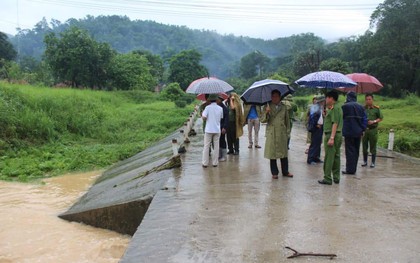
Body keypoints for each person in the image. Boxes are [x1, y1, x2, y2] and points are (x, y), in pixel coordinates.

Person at [261, 90, 293, 179]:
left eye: (276, 96)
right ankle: (274, 172)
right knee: (272, 154)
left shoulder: (284, 107)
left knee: (284, 153)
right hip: (272, 133)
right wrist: (267, 112)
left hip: (282, 133)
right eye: (273, 96)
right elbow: (262, 120)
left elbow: (287, 121)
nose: (274, 98)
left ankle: (285, 171)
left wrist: (288, 133)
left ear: (279, 97)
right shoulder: (267, 106)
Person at [318, 90, 342, 185]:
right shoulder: (335, 108)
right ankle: (336, 177)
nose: (326, 100)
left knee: (329, 157)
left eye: (327, 98)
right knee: (336, 157)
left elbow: (335, 123)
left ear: (331, 98)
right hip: (337, 134)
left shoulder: (335, 108)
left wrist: (331, 137)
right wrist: (325, 115)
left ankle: (327, 178)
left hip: (332, 135)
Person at [341, 92, 367, 174]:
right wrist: (363, 129)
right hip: (358, 132)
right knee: (356, 150)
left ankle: (350, 169)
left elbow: (340, 117)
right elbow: (365, 119)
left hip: (349, 132)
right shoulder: (361, 107)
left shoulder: (345, 106)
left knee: (349, 151)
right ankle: (354, 168)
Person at [202, 94, 223, 167]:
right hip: (217, 130)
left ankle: (205, 163)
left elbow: (204, 117)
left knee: (206, 146)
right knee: (216, 147)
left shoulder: (207, 108)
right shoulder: (220, 108)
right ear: (216, 100)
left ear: (209, 100)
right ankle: (215, 163)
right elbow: (221, 117)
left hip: (208, 130)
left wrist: (203, 115)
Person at [362, 94, 383, 168]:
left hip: (372, 129)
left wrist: (374, 121)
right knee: (364, 146)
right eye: (367, 99)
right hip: (365, 129)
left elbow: (380, 118)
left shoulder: (376, 109)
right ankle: (365, 161)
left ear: (372, 100)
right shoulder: (363, 108)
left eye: (369, 99)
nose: (368, 101)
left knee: (373, 146)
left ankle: (373, 162)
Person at [307, 95, 325, 164]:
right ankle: (310, 159)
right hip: (316, 127)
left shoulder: (321, 107)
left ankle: (316, 157)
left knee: (318, 143)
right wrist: (315, 125)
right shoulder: (315, 107)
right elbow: (312, 117)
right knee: (314, 143)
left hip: (320, 127)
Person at [217, 95, 229, 161]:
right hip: (217, 127)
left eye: (217, 99)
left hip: (222, 127)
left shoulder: (225, 109)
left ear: (221, 100)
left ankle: (224, 156)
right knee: (218, 141)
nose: (216, 100)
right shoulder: (217, 107)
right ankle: (219, 155)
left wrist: (224, 127)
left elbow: (226, 119)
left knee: (222, 140)